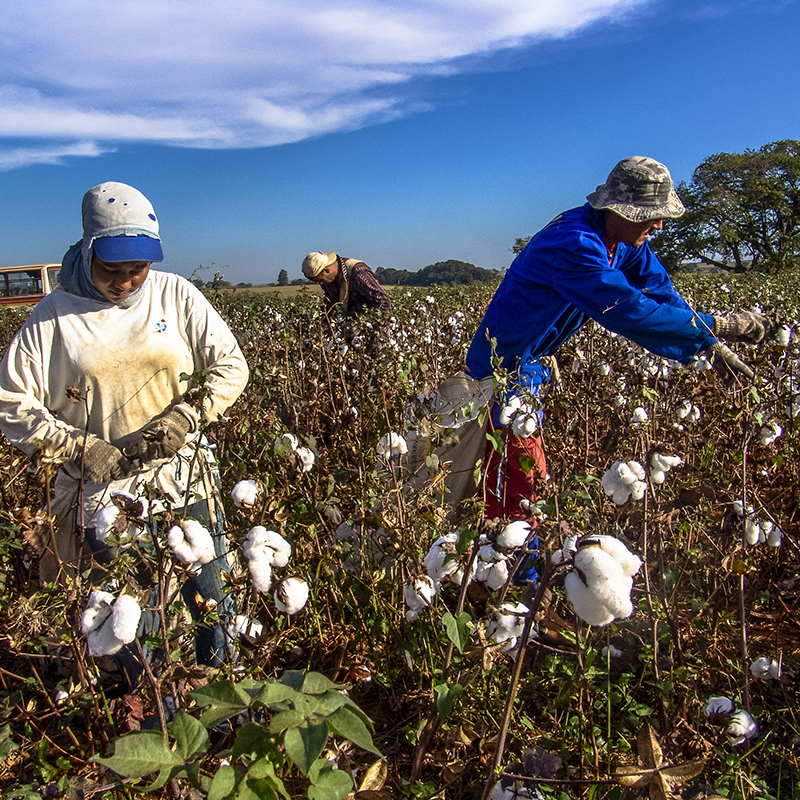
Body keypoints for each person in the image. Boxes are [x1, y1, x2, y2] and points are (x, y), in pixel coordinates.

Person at [0, 182, 249, 675]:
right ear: (88, 249)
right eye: (112, 270)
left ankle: (225, 703)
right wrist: (75, 446)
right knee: (137, 612)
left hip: (184, 476)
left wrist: (186, 415)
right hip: (106, 494)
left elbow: (231, 365)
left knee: (213, 595)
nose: (128, 282)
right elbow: (10, 401)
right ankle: (159, 713)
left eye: (138, 269)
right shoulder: (54, 317)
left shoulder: (175, 294)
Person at [464, 156, 770, 525]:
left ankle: (514, 558)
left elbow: (659, 291)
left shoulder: (624, 240)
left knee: (522, 472)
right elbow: (629, 310)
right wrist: (722, 324)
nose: (658, 224)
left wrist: (708, 342)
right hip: (503, 370)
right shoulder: (574, 243)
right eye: (650, 215)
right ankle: (515, 571)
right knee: (518, 478)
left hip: (529, 362)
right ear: (619, 210)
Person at [301, 250, 391, 320]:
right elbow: (331, 306)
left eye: (320, 280)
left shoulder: (358, 273)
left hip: (372, 330)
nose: (321, 284)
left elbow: (383, 302)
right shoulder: (328, 280)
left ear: (326, 271)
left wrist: (363, 322)